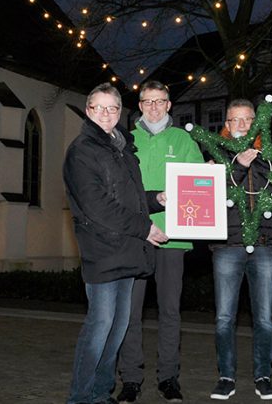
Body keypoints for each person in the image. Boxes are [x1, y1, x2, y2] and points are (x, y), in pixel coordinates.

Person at [64, 83, 169, 404]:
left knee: (117, 329)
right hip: (103, 250)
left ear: (122, 112)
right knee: (100, 326)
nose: (106, 114)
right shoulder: (82, 151)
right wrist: (145, 228)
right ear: (88, 110)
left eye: (113, 108)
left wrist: (156, 199)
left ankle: (100, 393)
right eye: (99, 107)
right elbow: (97, 206)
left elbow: (130, 199)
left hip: (127, 250)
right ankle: (80, 397)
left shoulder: (122, 148)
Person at [116, 81, 204, 404]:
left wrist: (206, 177)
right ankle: (131, 378)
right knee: (130, 313)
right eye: (147, 101)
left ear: (169, 105)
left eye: (160, 101)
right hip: (136, 236)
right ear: (140, 106)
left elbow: (197, 182)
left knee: (170, 311)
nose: (153, 107)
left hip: (173, 238)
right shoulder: (126, 140)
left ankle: (169, 378)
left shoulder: (183, 140)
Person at [209, 99, 272, 401]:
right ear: (226, 125)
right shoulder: (215, 155)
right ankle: (226, 376)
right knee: (225, 317)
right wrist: (237, 166)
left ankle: (263, 376)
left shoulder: (271, 157)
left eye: (246, 119)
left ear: (256, 122)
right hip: (228, 244)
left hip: (264, 246)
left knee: (264, 318)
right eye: (234, 120)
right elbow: (215, 196)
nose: (240, 125)